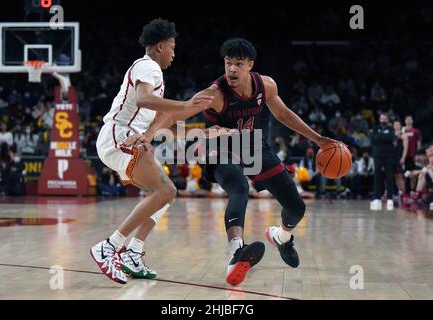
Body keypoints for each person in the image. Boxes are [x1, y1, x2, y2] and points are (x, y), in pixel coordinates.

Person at [141, 38, 340, 286]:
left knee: (296, 207)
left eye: (238, 64)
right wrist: (149, 135)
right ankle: (236, 252)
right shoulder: (214, 94)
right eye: (228, 63)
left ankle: (282, 236)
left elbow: (284, 114)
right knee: (239, 187)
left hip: (252, 146)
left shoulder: (265, 85)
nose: (232, 69)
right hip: (218, 148)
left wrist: (318, 139)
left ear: (250, 65)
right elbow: (172, 114)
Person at [90, 18, 212, 284]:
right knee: (165, 190)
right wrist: (184, 104)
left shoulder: (153, 73)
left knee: (167, 194)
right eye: (172, 47)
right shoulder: (148, 67)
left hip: (127, 137)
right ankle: (109, 246)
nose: (174, 53)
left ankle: (133, 252)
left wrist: (207, 134)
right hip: (118, 135)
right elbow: (144, 99)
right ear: (159, 46)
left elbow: (164, 123)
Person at [370, 113, 395, 211]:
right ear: (379, 119)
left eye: (385, 118)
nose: (383, 119)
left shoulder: (391, 128)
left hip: (389, 156)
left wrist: (380, 137)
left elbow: (390, 138)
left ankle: (390, 198)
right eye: (382, 118)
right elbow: (373, 139)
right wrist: (383, 137)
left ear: (387, 119)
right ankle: (377, 198)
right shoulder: (375, 128)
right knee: (377, 177)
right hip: (378, 156)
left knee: (389, 177)